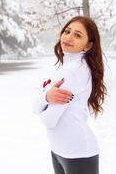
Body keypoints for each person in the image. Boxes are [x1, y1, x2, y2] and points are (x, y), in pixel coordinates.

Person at [32, 16, 107, 174]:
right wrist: (46, 97)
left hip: (77, 153)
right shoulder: (66, 66)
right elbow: (35, 106)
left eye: (77, 35)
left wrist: (43, 100)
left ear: (88, 46)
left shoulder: (74, 71)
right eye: (67, 31)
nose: (69, 37)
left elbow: (48, 120)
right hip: (59, 149)